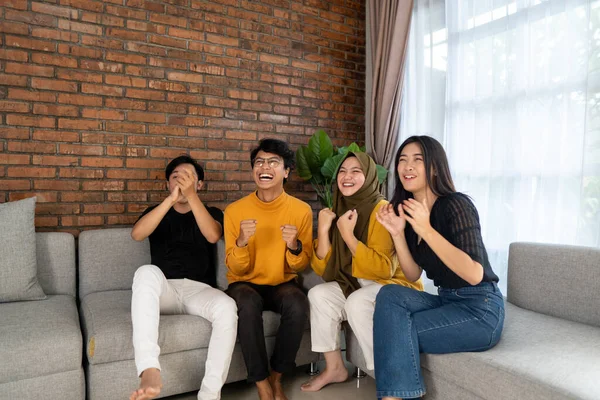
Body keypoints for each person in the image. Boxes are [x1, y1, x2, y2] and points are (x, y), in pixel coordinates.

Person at [373, 136, 505, 399]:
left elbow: (474, 273)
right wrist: (399, 233)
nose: (407, 166)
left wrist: (427, 229)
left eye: (417, 160)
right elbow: (412, 275)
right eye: (402, 160)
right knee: (390, 294)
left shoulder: (456, 204)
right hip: (447, 302)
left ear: (434, 167)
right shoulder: (409, 214)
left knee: (395, 330)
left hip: (481, 309)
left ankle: (393, 397)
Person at [300, 153, 423, 392]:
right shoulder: (338, 208)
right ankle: (335, 367)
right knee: (319, 294)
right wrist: (324, 230)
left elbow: (383, 268)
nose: (347, 176)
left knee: (356, 301)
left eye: (356, 171)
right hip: (358, 282)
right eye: (343, 171)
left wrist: (348, 235)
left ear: (368, 177)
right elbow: (324, 270)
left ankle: (393, 378)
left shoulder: (382, 210)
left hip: (393, 286)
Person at [129, 155, 238, 400]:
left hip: (199, 291)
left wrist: (191, 197)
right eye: (176, 177)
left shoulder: (212, 212)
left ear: (199, 184)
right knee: (145, 273)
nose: (181, 181)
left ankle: (210, 394)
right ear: (168, 183)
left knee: (228, 307)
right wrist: (171, 200)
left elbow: (213, 235)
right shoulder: (157, 211)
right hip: (164, 290)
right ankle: (149, 368)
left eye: (189, 177)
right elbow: (137, 234)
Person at [224, 138, 313, 400]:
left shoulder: (301, 211)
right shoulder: (234, 211)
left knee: (297, 303)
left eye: (273, 162)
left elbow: (301, 264)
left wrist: (294, 246)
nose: (265, 166)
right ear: (254, 170)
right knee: (247, 305)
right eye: (260, 162)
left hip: (281, 282)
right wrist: (241, 242)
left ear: (286, 172)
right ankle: (262, 383)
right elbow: (235, 266)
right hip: (244, 283)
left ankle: (277, 378)